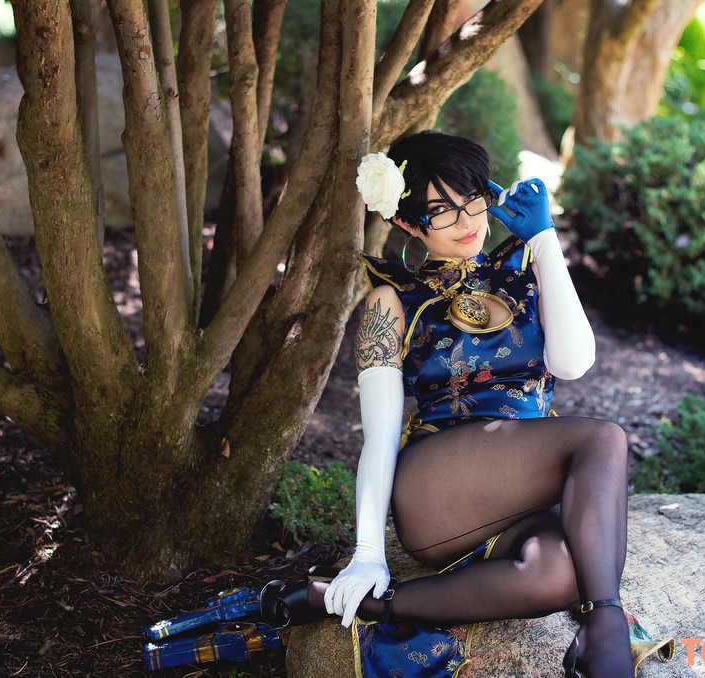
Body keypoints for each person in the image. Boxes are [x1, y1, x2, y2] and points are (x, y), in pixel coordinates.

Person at [266, 131, 636, 678]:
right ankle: (607, 629)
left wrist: (544, 240)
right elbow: (379, 434)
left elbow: (573, 362)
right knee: (603, 438)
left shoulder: (525, 271)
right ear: (407, 222)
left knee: (558, 572)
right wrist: (368, 552)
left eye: (473, 199)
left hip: (520, 487)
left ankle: (372, 607)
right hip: (439, 488)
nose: (467, 221)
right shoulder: (392, 300)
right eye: (441, 211)